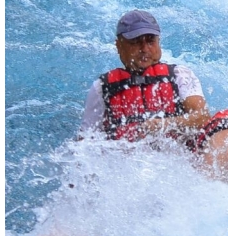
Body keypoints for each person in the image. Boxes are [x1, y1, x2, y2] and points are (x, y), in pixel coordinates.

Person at [79, 9, 211, 140]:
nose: (144, 49)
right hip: (128, 156)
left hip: (176, 153)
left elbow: (202, 117)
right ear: (119, 45)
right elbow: (85, 140)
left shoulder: (180, 75)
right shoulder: (102, 87)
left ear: (158, 42)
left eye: (150, 41)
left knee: (225, 120)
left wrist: (162, 124)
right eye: (135, 42)